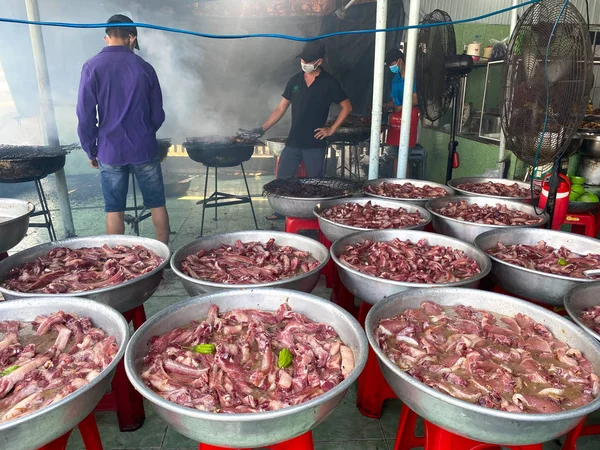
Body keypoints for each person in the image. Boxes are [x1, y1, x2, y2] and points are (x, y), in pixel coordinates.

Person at [76, 14, 170, 244]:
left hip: (110, 150)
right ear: (132, 38)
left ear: (106, 38)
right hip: (144, 149)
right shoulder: (145, 68)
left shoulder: (91, 66)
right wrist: (145, 132)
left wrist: (91, 149)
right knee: (156, 203)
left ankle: (118, 262)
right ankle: (164, 255)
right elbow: (158, 114)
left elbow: (85, 115)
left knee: (114, 209)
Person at [253, 41, 352, 220]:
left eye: (308, 60)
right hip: (293, 141)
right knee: (282, 179)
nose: (304, 63)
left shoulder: (329, 83)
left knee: (316, 183)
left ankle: (315, 214)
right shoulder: (295, 80)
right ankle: (281, 211)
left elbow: (347, 107)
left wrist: (330, 130)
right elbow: (280, 109)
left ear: (319, 61)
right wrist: (262, 129)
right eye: (303, 59)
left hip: (315, 143)